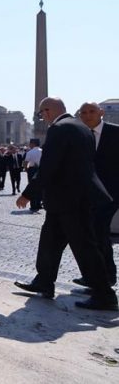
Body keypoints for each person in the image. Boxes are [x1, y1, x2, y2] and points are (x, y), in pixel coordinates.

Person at [14, 97, 117, 311]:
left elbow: (49, 167)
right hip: (68, 200)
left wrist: (27, 193)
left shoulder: (59, 129)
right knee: (50, 241)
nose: (42, 117)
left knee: (85, 247)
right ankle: (44, 281)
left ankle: (104, 294)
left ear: (49, 111)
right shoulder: (81, 127)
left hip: (69, 201)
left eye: (42, 113)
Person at [74, 101, 118, 288]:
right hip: (87, 195)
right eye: (83, 112)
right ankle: (95, 275)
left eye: (92, 111)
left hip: (111, 195)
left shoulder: (116, 132)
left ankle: (106, 277)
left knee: (99, 234)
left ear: (101, 112)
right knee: (89, 236)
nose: (87, 115)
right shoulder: (79, 135)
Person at [24, 138, 43, 212]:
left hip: (32, 170)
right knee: (40, 187)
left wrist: (26, 170)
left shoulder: (30, 152)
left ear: (33, 144)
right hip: (41, 170)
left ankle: (33, 205)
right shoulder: (43, 151)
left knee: (32, 187)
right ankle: (38, 203)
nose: (29, 145)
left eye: (30, 143)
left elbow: (25, 163)